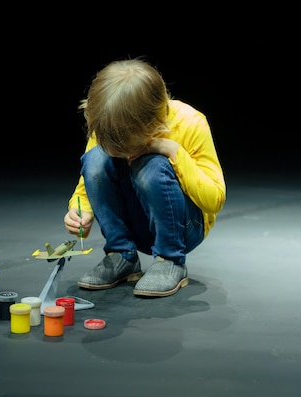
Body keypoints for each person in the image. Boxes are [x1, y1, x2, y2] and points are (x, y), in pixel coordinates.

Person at [63, 57, 226, 297]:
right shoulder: (110, 123)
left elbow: (214, 200)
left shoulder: (192, 122)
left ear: (152, 121)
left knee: (153, 167)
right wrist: (81, 211)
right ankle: (121, 256)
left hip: (183, 228)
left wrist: (172, 150)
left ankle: (170, 260)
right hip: (135, 222)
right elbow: (88, 181)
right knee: (96, 158)